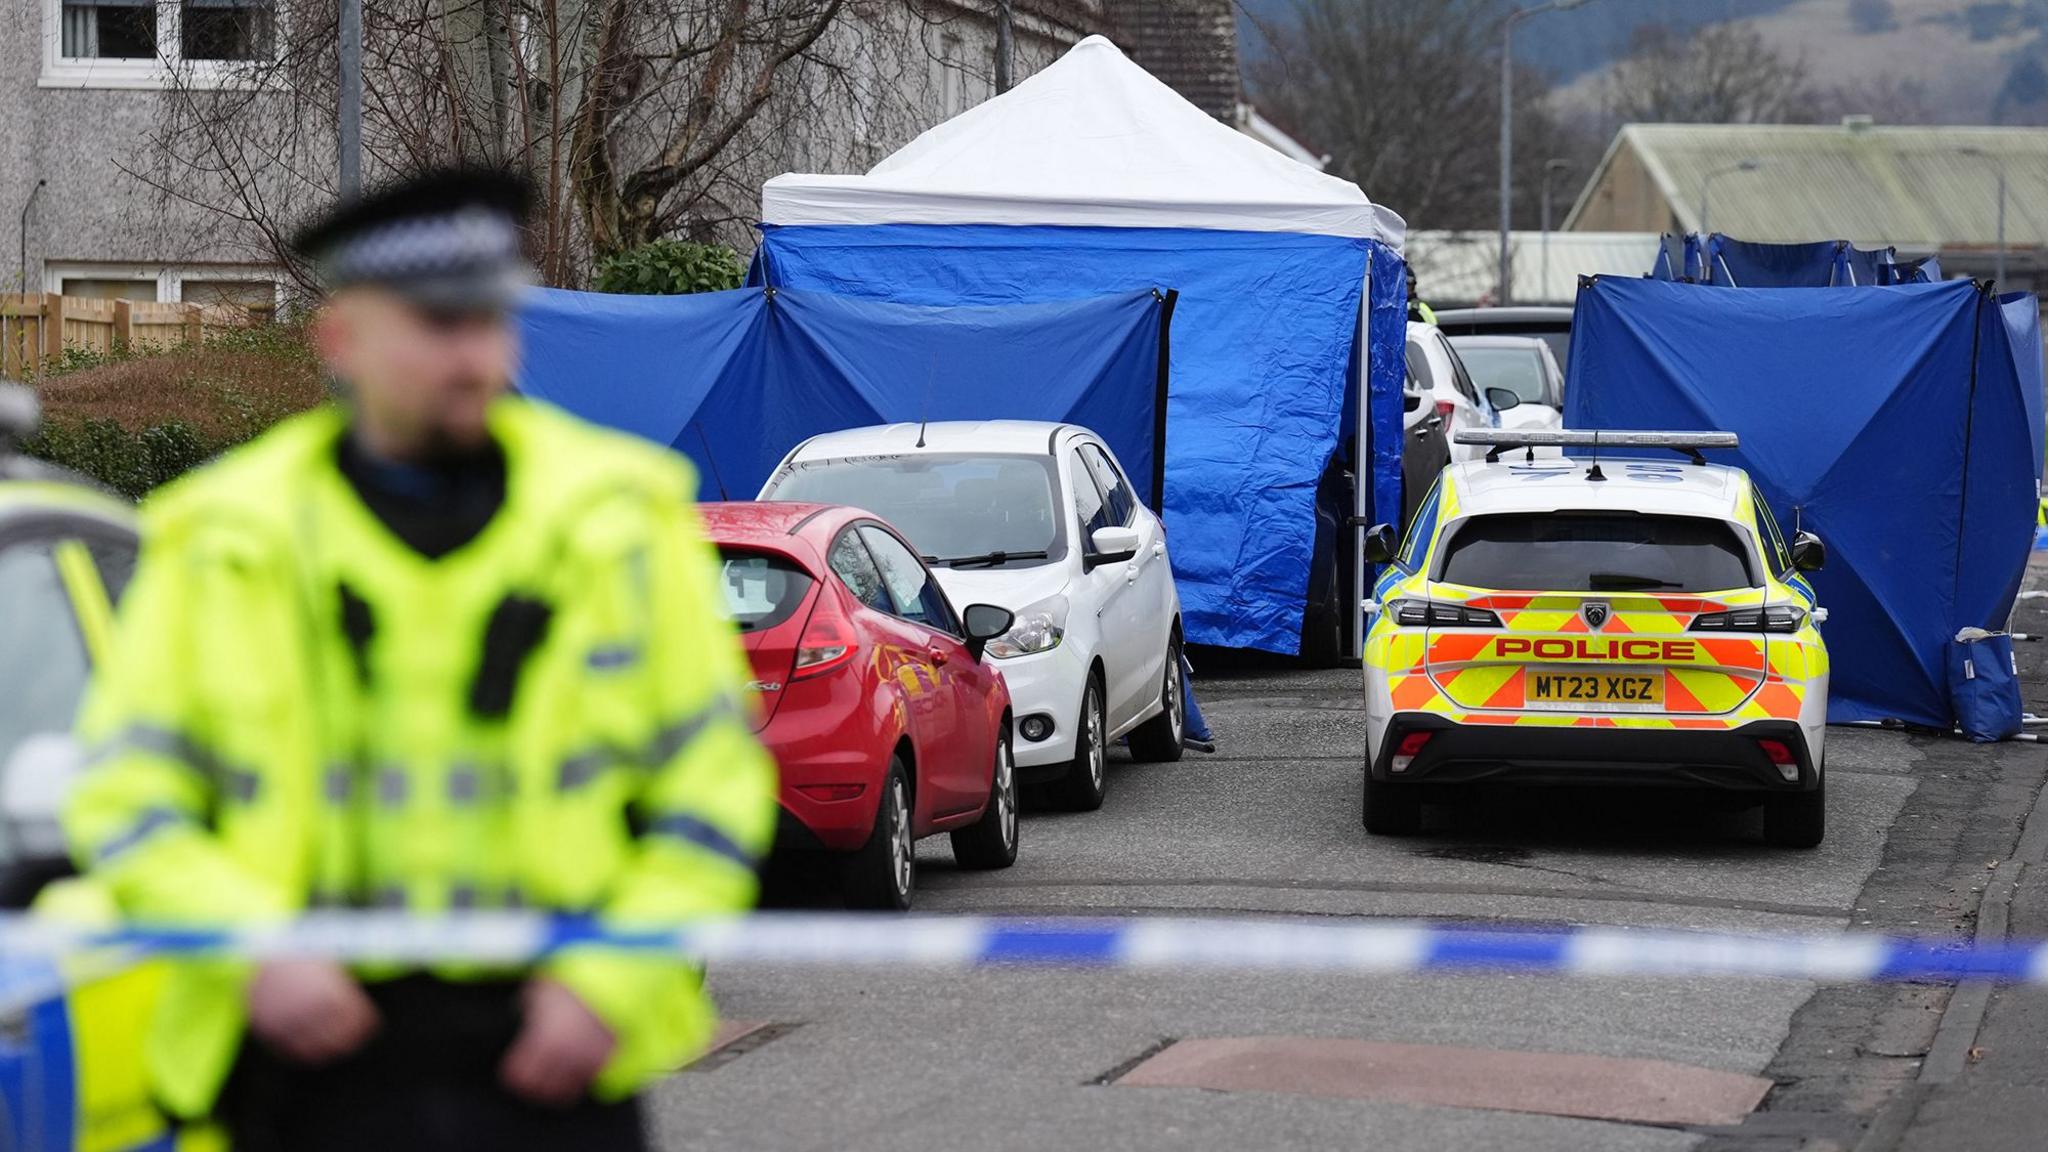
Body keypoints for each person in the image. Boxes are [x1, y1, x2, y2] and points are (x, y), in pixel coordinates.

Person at [60, 168, 778, 1152]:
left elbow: (714, 784)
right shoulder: (225, 533)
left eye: (490, 322)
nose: (473, 355)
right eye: (437, 325)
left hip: (550, 1043)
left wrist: (612, 977)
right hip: (300, 1055)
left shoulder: (621, 517)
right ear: (342, 339)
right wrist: (250, 951)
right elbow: (125, 797)